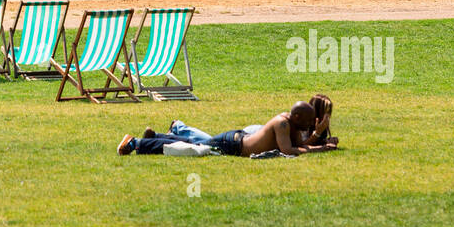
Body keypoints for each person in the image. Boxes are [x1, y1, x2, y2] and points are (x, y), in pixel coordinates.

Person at [118, 101, 337, 157]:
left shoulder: (293, 124)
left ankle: (155, 136)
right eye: (308, 122)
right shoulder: (282, 123)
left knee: (191, 145)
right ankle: (135, 143)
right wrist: (321, 149)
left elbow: (298, 146)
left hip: (236, 141)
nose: (309, 125)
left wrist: (319, 137)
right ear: (297, 116)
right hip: (231, 145)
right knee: (188, 148)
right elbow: (288, 151)